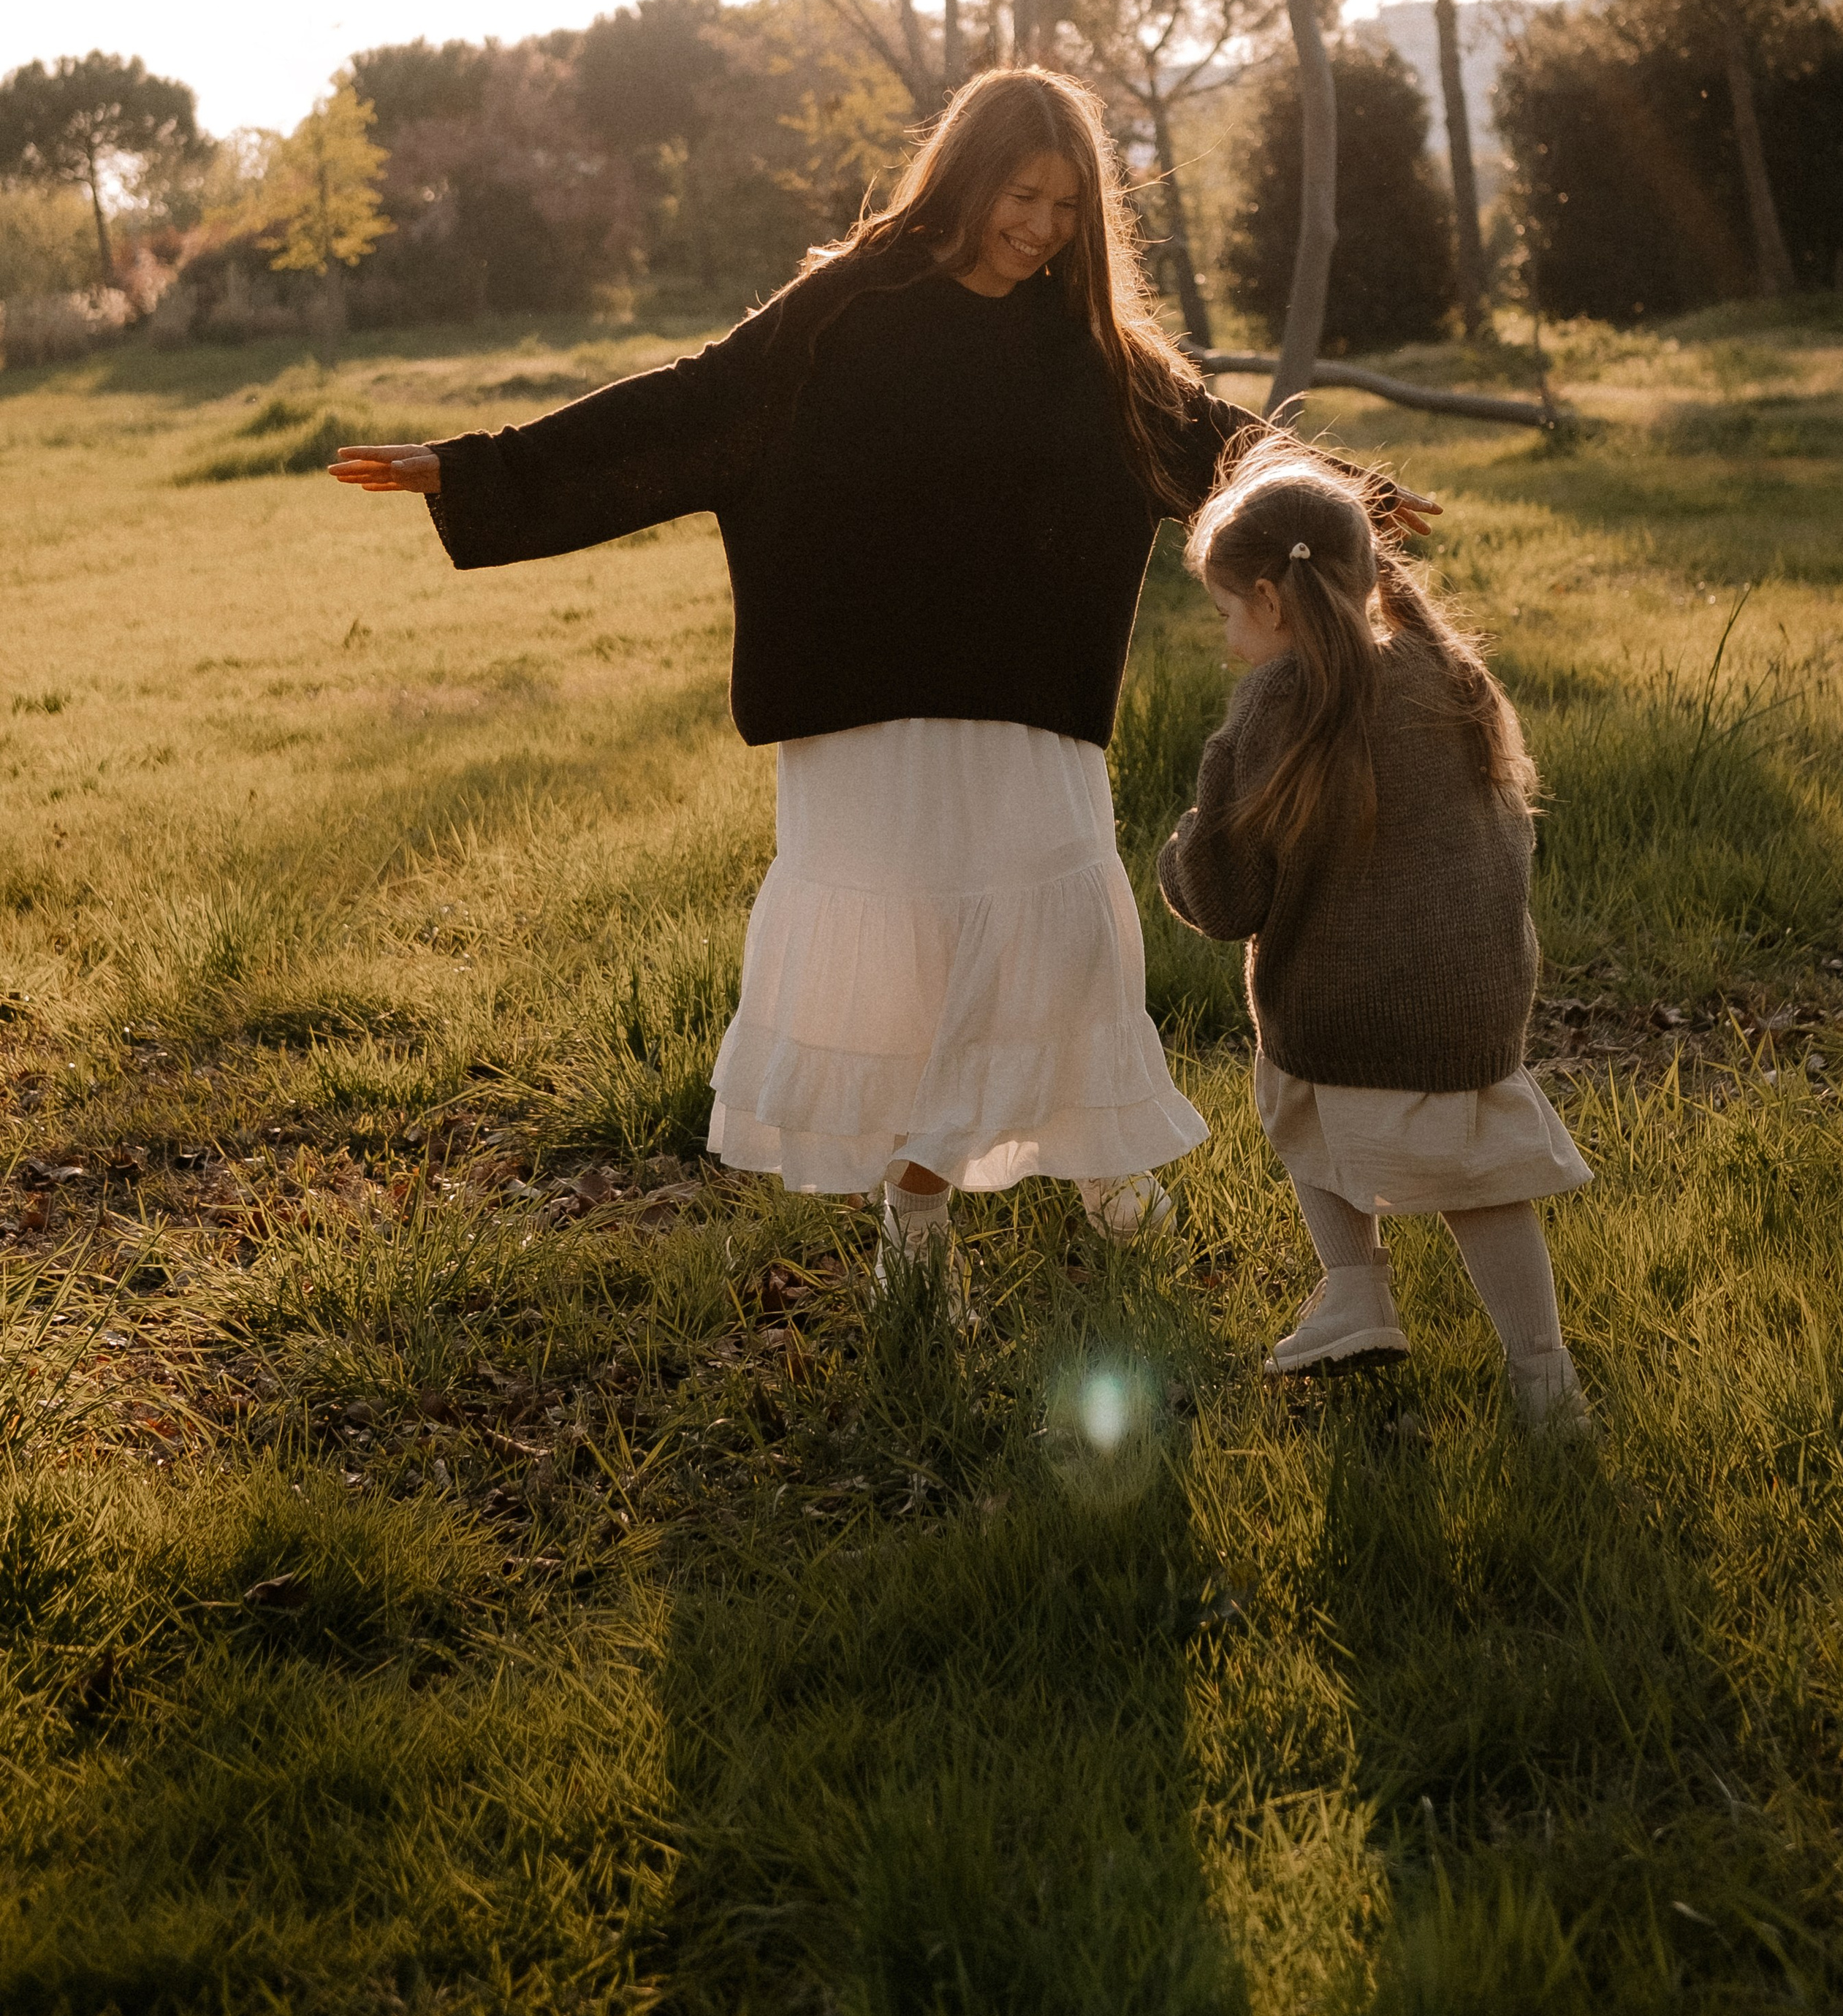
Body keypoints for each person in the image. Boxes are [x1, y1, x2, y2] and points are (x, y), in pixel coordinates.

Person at [330, 66, 1432, 1294]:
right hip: (867, 707)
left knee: (1057, 948)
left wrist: (1351, 503)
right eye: (1023, 194)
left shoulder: (1093, 353)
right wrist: (475, 470)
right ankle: (917, 1241)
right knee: (915, 973)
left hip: (1027, 699)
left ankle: (1097, 1149)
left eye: (1071, 207)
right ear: (965, 178)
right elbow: (686, 409)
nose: (1044, 228)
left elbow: (1220, 447)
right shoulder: (843, 310)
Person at [1157, 434, 1590, 1427]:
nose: (1228, 640)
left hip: (1338, 1016)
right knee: (1483, 1183)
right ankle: (1543, 1374)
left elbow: (1227, 899)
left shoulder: (1277, 695)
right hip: (1474, 1012)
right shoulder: (1447, 669)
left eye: (1227, 614)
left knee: (1297, 1094)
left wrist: (1175, 858)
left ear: (1269, 600)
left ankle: (1355, 1287)